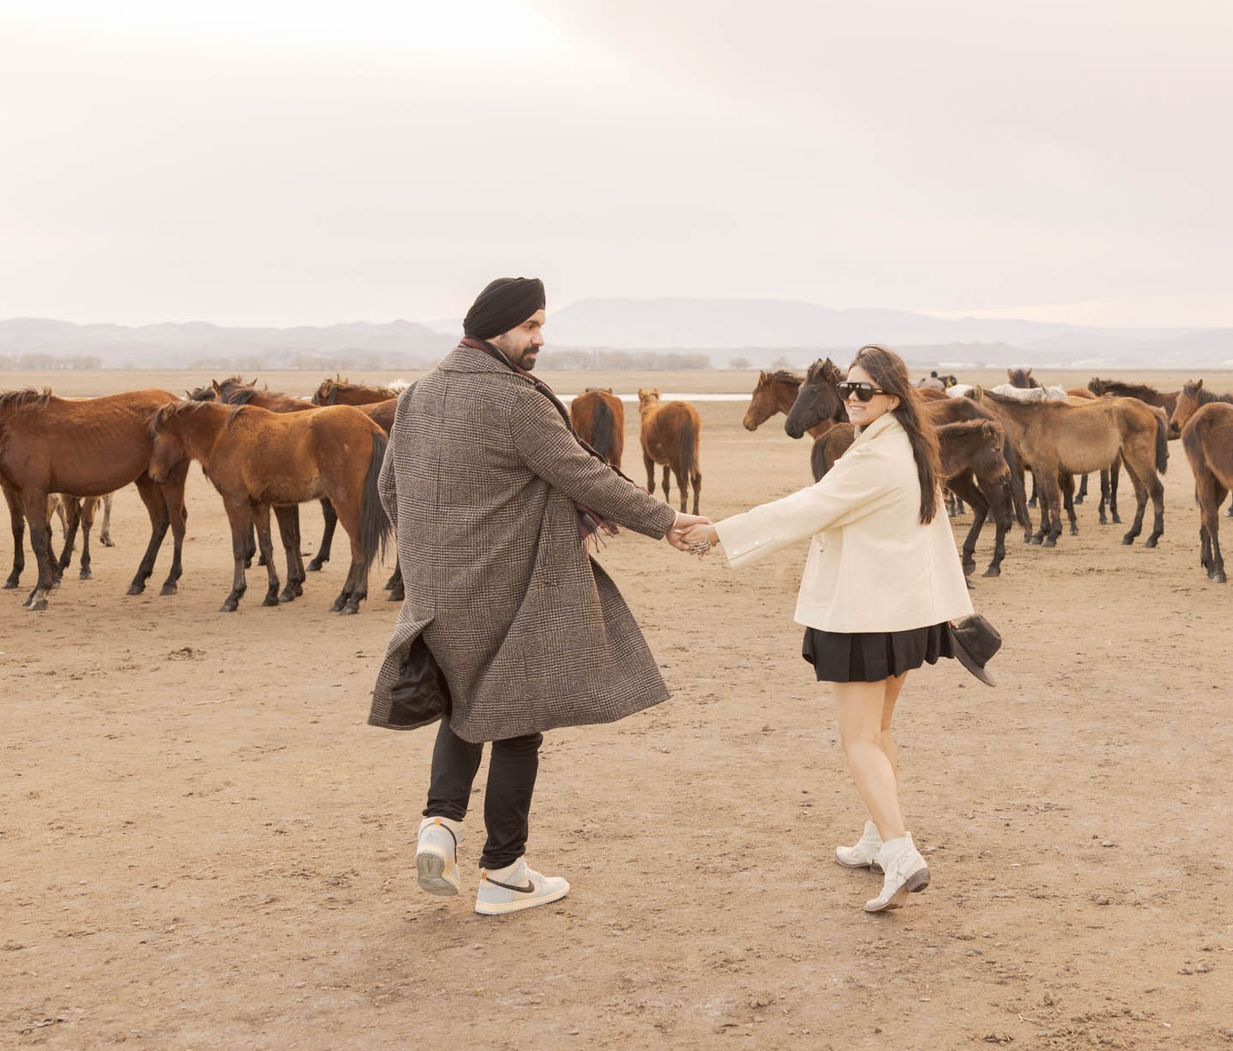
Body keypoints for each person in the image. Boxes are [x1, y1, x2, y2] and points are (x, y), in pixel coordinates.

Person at [370, 276, 711, 915]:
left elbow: (392, 489)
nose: (539, 338)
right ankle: (503, 875)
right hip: (510, 583)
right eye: (529, 326)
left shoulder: (417, 396)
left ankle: (440, 827)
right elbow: (584, 475)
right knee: (519, 719)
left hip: (438, 589)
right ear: (497, 327)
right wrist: (666, 521)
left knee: (467, 705)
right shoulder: (513, 399)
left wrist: (436, 553)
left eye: (541, 325)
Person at [685, 344, 974, 913]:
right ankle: (876, 835)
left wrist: (721, 532)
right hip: (902, 615)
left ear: (892, 395)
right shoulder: (910, 446)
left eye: (864, 390)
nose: (853, 398)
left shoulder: (875, 457)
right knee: (881, 730)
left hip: (866, 615)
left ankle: (899, 851)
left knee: (859, 739)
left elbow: (807, 508)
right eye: (849, 388)